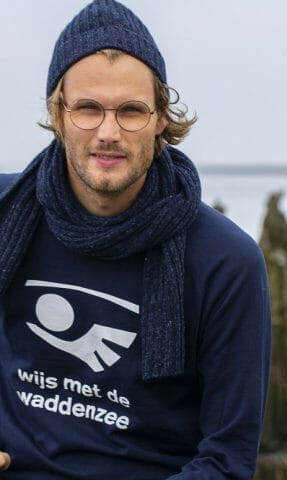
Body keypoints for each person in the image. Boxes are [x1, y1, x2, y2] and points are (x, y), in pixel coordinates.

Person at [0, 1, 271, 478]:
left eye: (130, 111)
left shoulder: (226, 261)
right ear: (58, 113)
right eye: (87, 109)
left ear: (161, 117)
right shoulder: (6, 213)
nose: (108, 133)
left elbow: (227, 460)